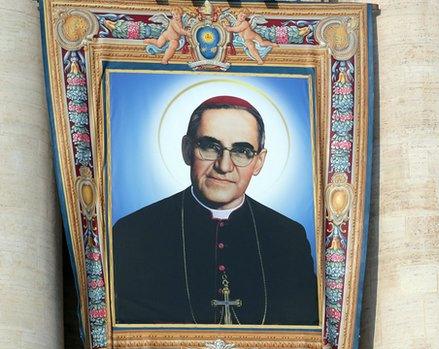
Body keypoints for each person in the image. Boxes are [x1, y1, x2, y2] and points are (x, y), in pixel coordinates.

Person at [113, 95, 318, 325]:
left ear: (259, 162)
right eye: (210, 147)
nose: (224, 166)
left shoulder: (289, 237)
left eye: (242, 151)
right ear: (187, 149)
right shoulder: (134, 232)